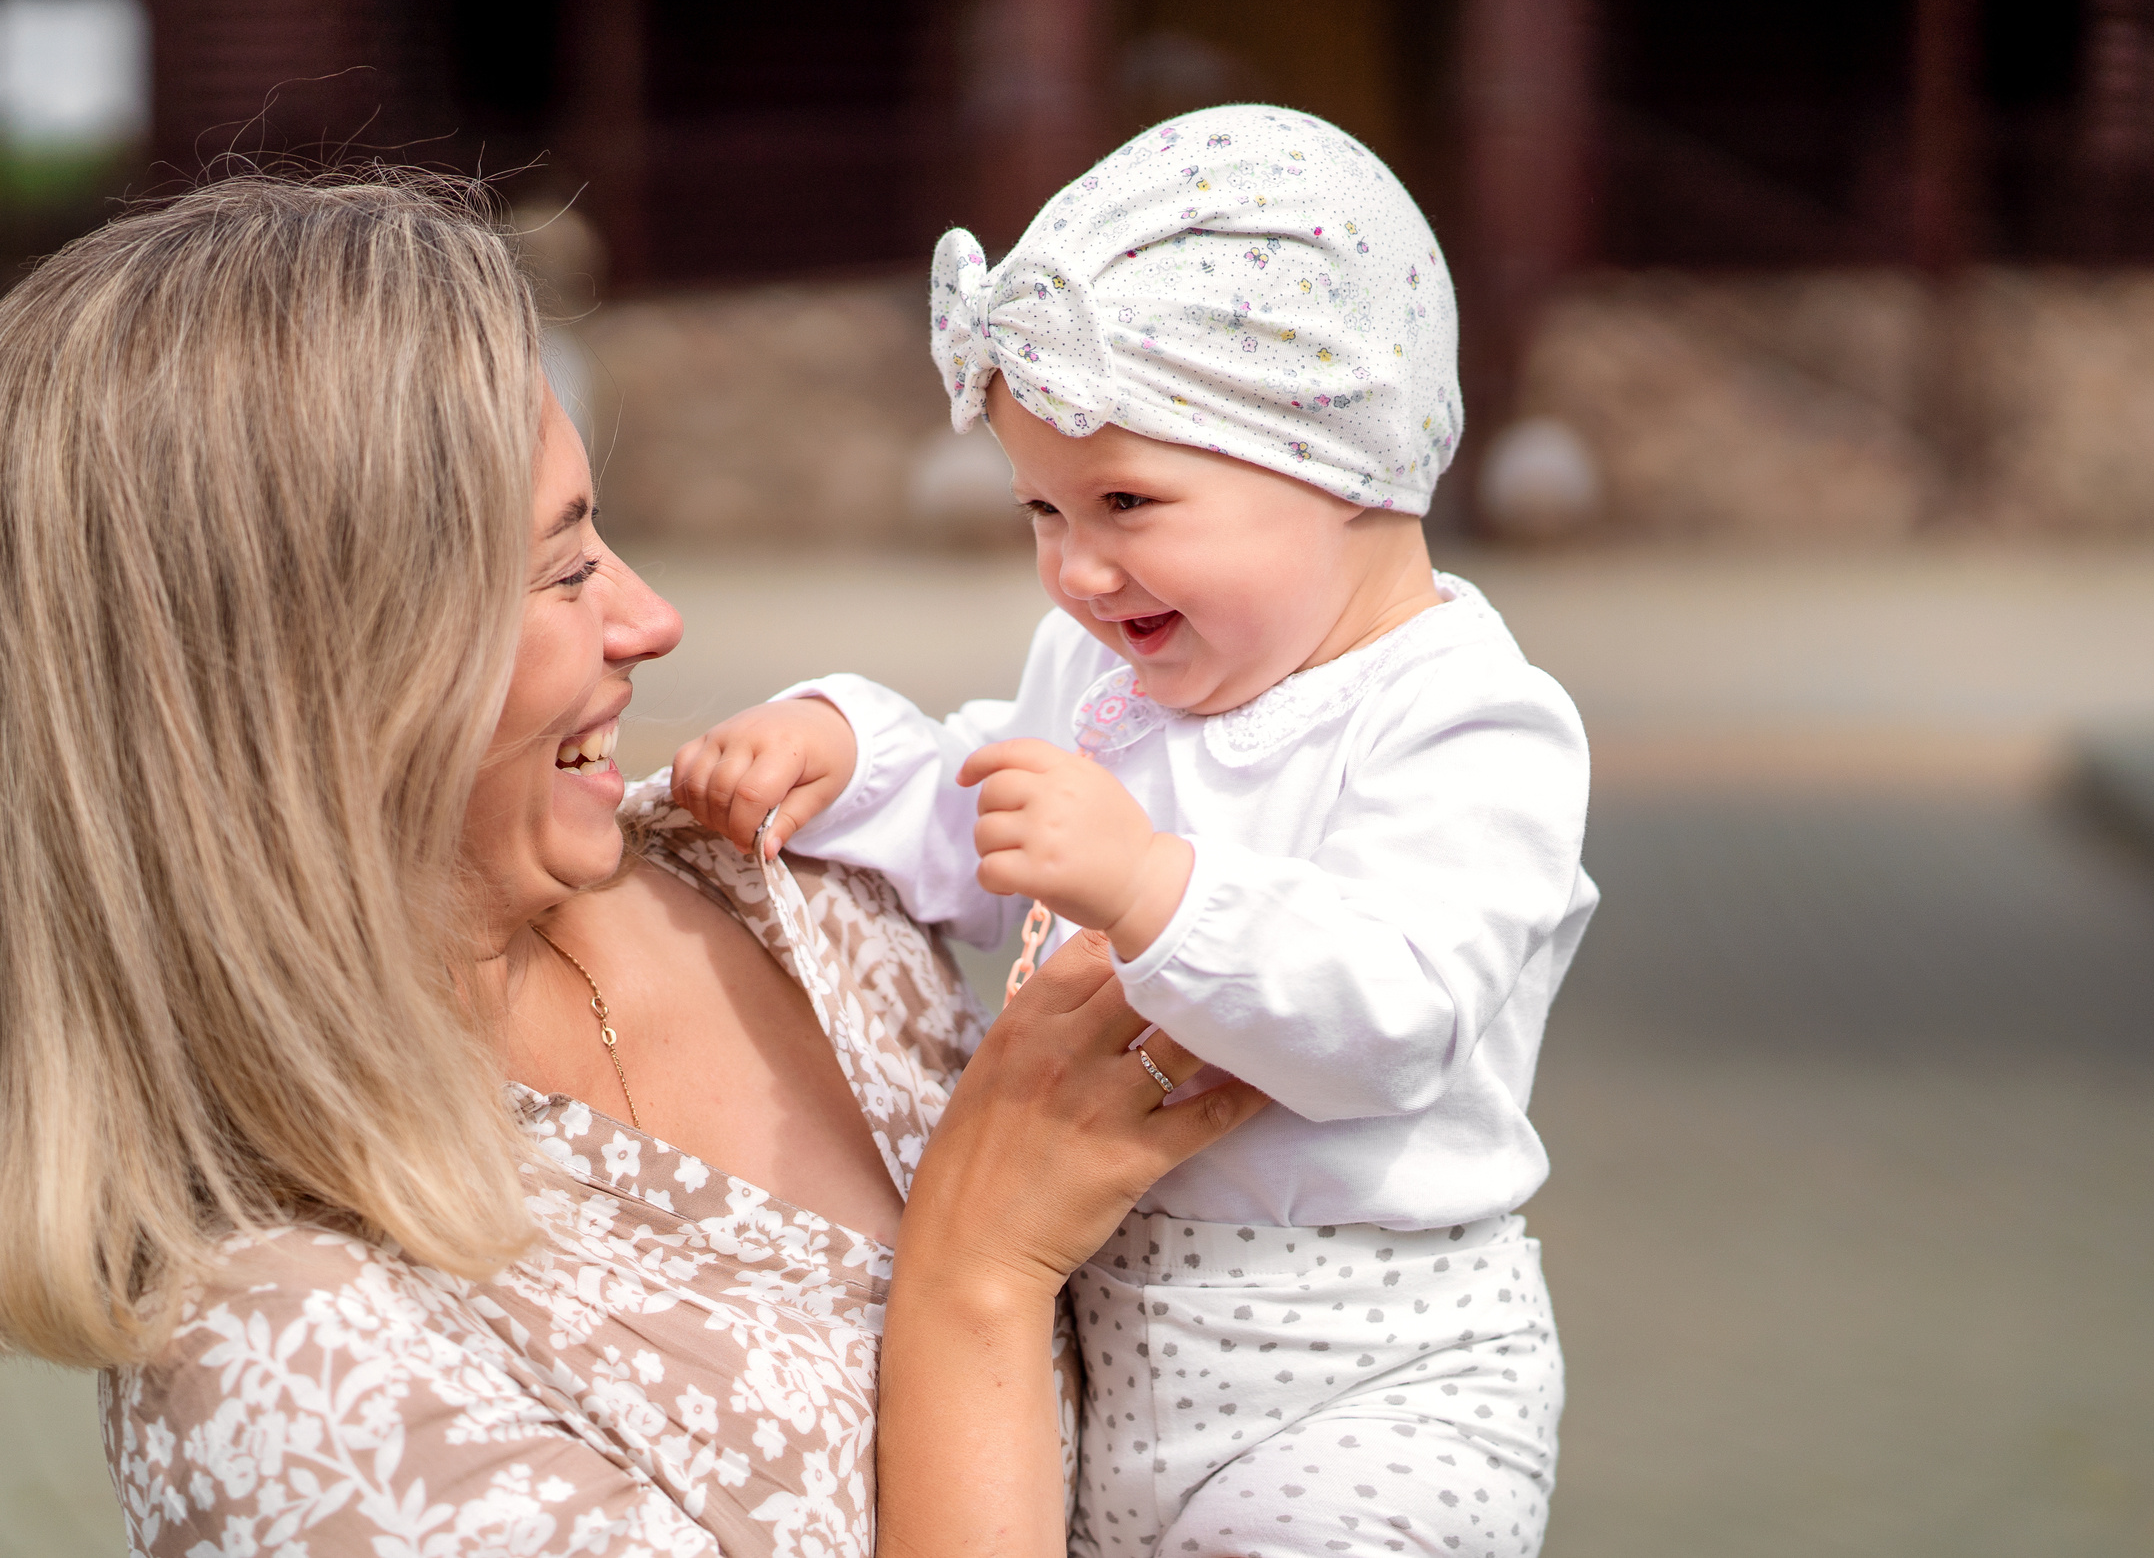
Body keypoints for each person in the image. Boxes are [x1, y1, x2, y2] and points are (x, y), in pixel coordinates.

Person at [0, 173, 1264, 1558]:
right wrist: (976, 1285)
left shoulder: (780, 874)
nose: (654, 620)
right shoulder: (290, 1380)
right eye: (561, 569)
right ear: (312, 683)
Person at [674, 104, 1598, 1558]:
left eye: (1128, 501)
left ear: (1342, 462)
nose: (1078, 569)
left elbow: (1396, 1017)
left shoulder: (1467, 721)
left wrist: (1154, 883)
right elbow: (984, 808)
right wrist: (843, 749)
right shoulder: (1110, 685)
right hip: (1118, 1342)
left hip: (1369, 1380)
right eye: (1043, 508)